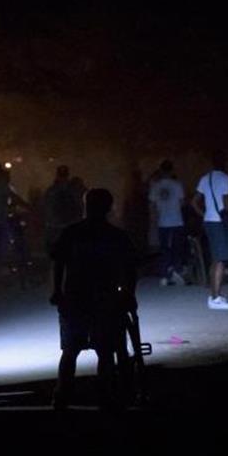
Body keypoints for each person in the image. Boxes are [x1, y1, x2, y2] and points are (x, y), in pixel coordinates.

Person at [50, 188, 137, 410]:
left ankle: (62, 395)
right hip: (105, 298)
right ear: (109, 208)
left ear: (85, 206)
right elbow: (130, 268)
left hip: (76, 297)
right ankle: (105, 395)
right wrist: (128, 295)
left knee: (70, 350)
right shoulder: (116, 236)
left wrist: (56, 291)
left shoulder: (71, 232)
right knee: (106, 350)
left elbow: (58, 262)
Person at [193, 151, 228, 309]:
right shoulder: (226, 179)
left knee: (215, 258)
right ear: (225, 162)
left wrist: (204, 214)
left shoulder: (206, 178)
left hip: (209, 221)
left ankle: (214, 295)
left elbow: (194, 202)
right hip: (220, 223)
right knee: (221, 260)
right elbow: (227, 205)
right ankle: (215, 297)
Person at [148, 160, 187, 286]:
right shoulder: (177, 185)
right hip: (176, 221)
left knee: (164, 249)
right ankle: (177, 272)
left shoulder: (155, 186)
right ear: (171, 170)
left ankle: (164, 275)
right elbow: (182, 203)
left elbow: (152, 206)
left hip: (162, 222)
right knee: (177, 248)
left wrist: (155, 219)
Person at [43, 165, 82, 255]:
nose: (62, 179)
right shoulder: (54, 190)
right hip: (57, 225)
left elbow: (78, 206)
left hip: (63, 225)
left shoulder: (70, 190)